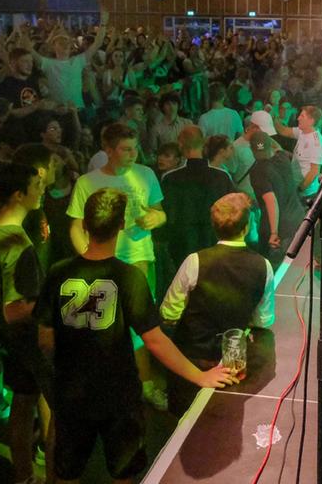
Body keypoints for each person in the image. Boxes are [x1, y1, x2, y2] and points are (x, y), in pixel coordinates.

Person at [37, 189, 236, 484]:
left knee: (68, 472)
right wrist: (199, 376)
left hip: (72, 392)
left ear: (85, 225)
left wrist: (65, 370)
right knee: (124, 472)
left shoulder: (57, 272)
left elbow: (45, 339)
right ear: (120, 227)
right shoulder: (129, 277)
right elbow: (154, 340)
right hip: (117, 394)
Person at [0, 162, 50, 484]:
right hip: (27, 337)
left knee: (23, 401)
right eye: (37, 186)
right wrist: (54, 304)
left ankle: (24, 475)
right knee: (50, 405)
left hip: (11, 340)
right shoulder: (16, 243)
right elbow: (14, 309)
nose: (41, 191)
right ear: (19, 194)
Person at [160, 192, 274, 412]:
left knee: (183, 418)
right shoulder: (264, 266)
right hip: (232, 360)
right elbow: (263, 320)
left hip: (194, 358)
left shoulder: (195, 261)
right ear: (247, 226)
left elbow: (169, 313)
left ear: (214, 226)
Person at [66, 123, 166, 294]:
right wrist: (88, 256)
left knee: (140, 315)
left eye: (135, 148)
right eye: (126, 149)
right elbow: (76, 225)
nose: (133, 154)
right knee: (107, 316)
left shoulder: (146, 174)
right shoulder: (87, 182)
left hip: (139, 259)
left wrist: (156, 218)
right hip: (102, 262)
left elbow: (160, 212)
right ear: (109, 150)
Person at [159, 126, 236, 287]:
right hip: (215, 244)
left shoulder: (170, 179)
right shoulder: (222, 177)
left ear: (181, 146)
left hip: (182, 246)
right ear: (203, 145)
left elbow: (168, 216)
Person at [247, 131, 304, 264]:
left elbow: (271, 201)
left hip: (280, 230)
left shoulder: (258, 170)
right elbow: (277, 147)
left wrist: (273, 233)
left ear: (251, 149)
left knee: (274, 271)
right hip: (297, 221)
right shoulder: (282, 158)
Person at [292, 105, 322, 199]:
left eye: (302, 116)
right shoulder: (303, 133)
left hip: (306, 195)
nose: (298, 118)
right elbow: (284, 131)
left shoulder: (316, 143)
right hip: (297, 190)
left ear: (311, 121)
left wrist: (300, 189)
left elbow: (314, 171)